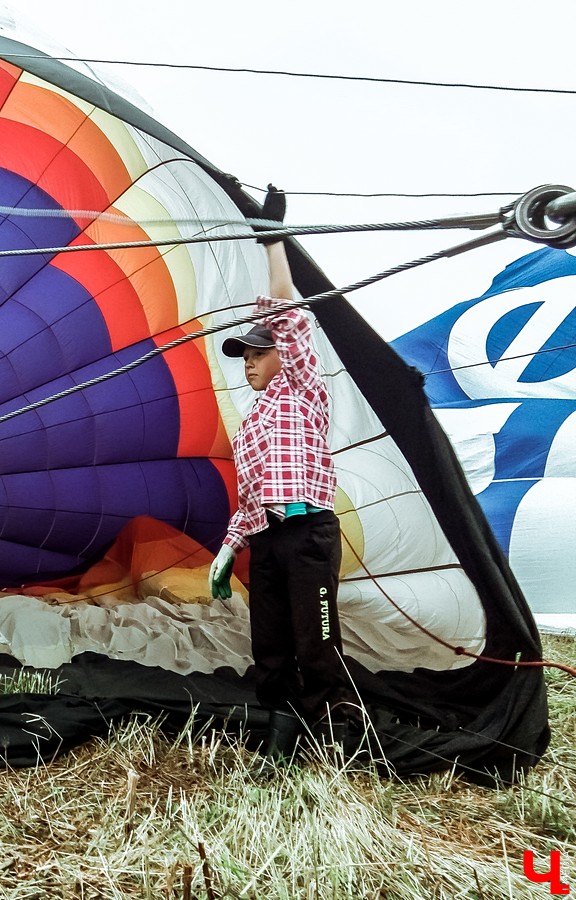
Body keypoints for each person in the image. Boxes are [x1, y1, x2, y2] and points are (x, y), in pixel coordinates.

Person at [208, 187, 361, 762]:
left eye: (255, 352)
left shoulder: (302, 390)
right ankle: (281, 725)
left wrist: (271, 239)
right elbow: (249, 502)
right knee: (269, 642)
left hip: (308, 536)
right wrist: (229, 550)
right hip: (269, 540)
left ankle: (338, 729)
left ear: (283, 356)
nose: (247, 360)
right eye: (242, 354)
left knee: (315, 639)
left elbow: (284, 309)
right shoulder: (250, 425)